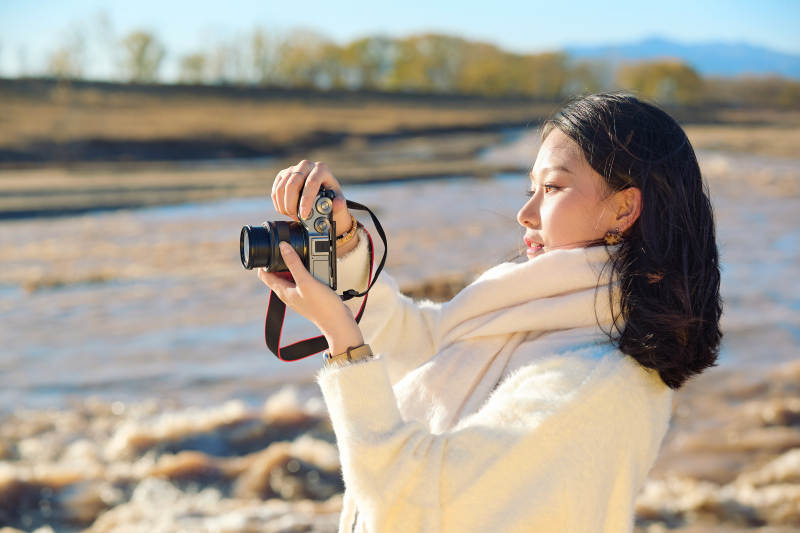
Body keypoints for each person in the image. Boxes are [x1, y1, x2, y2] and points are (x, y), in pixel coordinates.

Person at [258, 92, 722, 533]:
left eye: (553, 188)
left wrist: (344, 345)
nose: (525, 211)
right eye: (531, 188)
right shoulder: (539, 309)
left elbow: (414, 503)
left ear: (624, 209)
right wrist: (344, 242)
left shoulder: (593, 379)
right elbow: (421, 347)